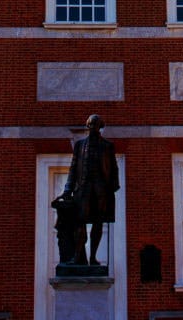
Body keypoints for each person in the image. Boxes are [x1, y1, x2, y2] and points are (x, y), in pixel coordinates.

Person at [62, 114, 119, 266]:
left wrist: (113, 186)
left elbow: (113, 168)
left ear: (100, 127)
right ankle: (78, 257)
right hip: (83, 188)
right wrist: (68, 189)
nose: (92, 127)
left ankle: (93, 257)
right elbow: (73, 168)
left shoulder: (107, 146)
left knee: (98, 223)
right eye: (90, 124)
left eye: (95, 125)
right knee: (79, 222)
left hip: (101, 190)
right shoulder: (80, 145)